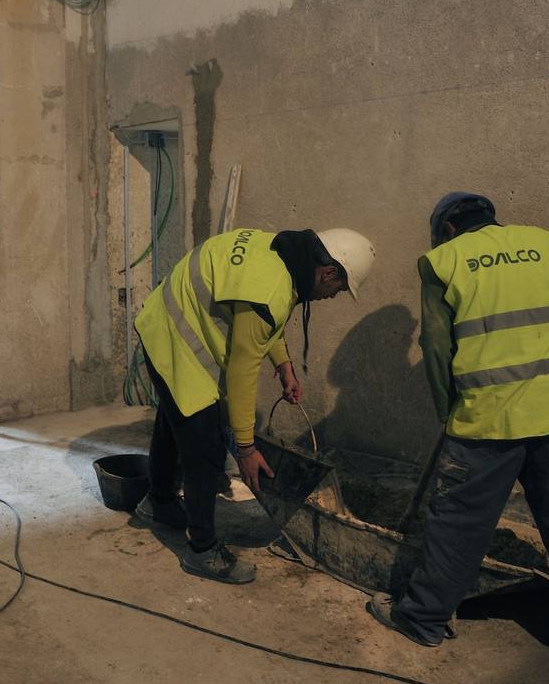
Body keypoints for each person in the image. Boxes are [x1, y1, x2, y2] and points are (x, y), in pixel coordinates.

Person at [367, 193, 549, 678]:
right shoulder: (543, 244)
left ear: (447, 229)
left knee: (460, 525)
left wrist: (448, 412)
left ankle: (423, 618)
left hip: (488, 423)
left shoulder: (442, 262)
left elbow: (435, 345)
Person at [132, 227, 376, 584]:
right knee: (205, 447)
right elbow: (242, 370)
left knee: (174, 422)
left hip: (162, 319)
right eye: (338, 289)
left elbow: (264, 320)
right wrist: (245, 447)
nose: (332, 297)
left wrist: (283, 364)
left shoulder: (282, 254)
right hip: (174, 336)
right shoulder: (272, 290)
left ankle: (158, 502)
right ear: (328, 273)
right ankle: (202, 551)